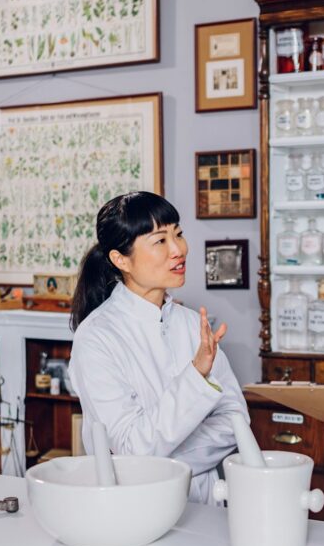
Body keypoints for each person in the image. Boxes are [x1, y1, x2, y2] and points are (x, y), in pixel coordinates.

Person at [68, 192, 248, 504]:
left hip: (202, 506)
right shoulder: (96, 338)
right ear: (120, 259)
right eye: (160, 240)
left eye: (178, 234)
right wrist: (196, 375)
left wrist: (162, 463)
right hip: (133, 507)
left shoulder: (193, 324)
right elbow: (131, 448)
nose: (179, 249)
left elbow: (235, 421)